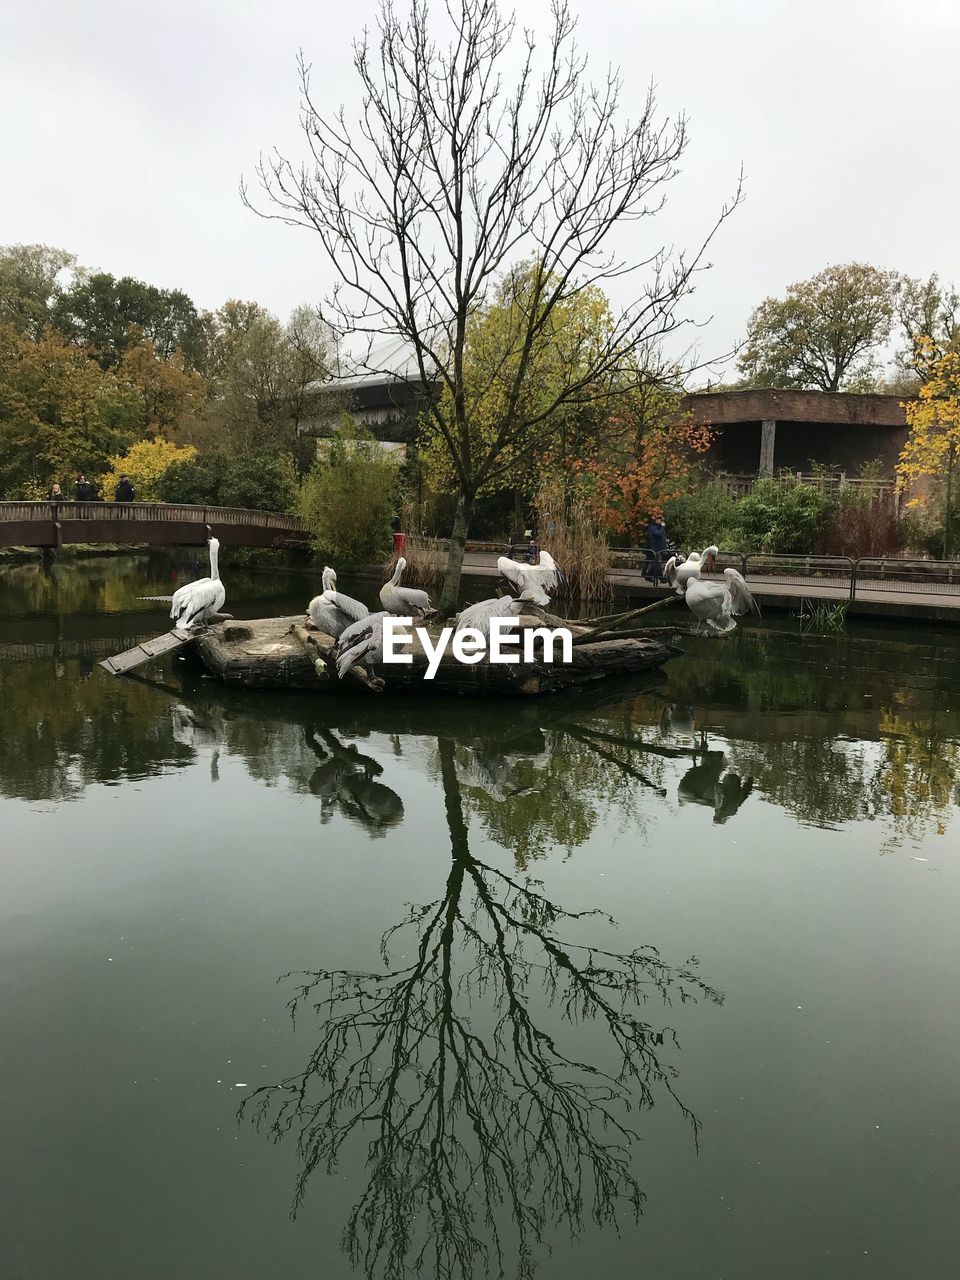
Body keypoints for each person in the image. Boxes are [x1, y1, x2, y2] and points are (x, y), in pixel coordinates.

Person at [643, 514, 667, 582]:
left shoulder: (659, 527)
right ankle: (661, 578)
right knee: (658, 563)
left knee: (654, 564)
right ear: (656, 520)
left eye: (662, 520)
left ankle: (648, 576)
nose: (661, 521)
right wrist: (662, 527)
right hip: (655, 548)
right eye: (660, 520)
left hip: (659, 548)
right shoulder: (653, 527)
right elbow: (658, 534)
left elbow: (662, 537)